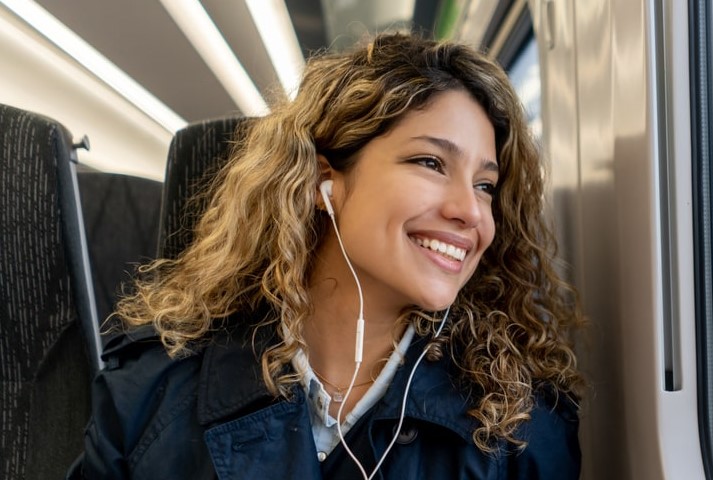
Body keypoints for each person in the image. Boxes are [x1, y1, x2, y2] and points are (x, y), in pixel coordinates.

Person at [70, 32, 584, 479]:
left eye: (485, 185)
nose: (470, 211)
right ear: (323, 181)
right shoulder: (149, 395)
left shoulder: (521, 428)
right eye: (431, 162)